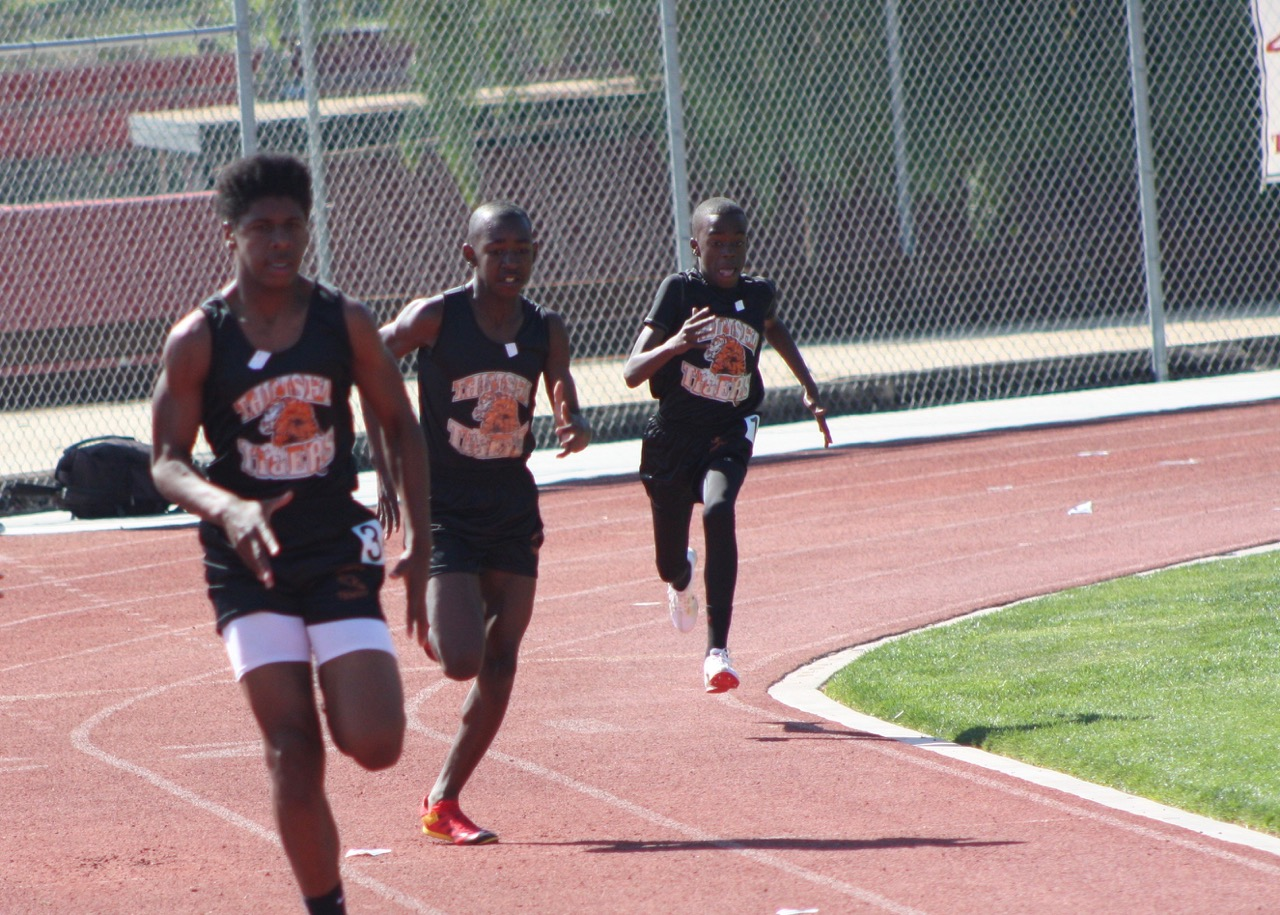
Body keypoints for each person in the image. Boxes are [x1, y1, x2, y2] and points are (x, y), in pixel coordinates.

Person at [150, 153, 431, 915]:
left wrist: (422, 543)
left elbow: (402, 425)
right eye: (262, 227)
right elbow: (167, 462)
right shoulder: (198, 338)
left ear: (309, 229)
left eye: (292, 225)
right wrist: (228, 508)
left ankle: (344, 688)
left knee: (376, 742)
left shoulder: (344, 321)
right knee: (291, 750)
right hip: (249, 561)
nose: (280, 240)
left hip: (334, 542)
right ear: (230, 235)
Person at [367, 201, 591, 845]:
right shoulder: (436, 317)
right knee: (462, 660)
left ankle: (443, 800)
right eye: (498, 251)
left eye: (521, 250)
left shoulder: (546, 327)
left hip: (512, 508)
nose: (511, 262)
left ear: (535, 253)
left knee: (502, 662)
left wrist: (572, 420)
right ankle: (444, 623)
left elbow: (560, 385)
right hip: (443, 509)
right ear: (471, 254)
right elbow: (369, 360)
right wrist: (385, 466)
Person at [623, 197, 832, 693]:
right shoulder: (679, 291)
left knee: (719, 509)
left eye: (737, 243)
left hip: (729, 431)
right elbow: (632, 372)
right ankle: (681, 578)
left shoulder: (759, 294)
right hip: (673, 438)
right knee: (668, 564)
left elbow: (773, 328)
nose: (728, 253)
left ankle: (717, 651)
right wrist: (676, 344)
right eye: (717, 243)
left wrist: (809, 386)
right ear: (696, 246)